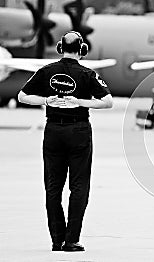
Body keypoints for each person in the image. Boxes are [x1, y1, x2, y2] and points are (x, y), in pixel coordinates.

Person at [18, 31, 113, 252]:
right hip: (78, 130)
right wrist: (79, 101)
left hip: (53, 131)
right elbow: (107, 102)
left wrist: (46, 100)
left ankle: (56, 240)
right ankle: (71, 240)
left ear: (60, 48)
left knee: (53, 186)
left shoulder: (46, 71)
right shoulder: (88, 74)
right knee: (79, 186)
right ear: (82, 50)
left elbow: (22, 96)